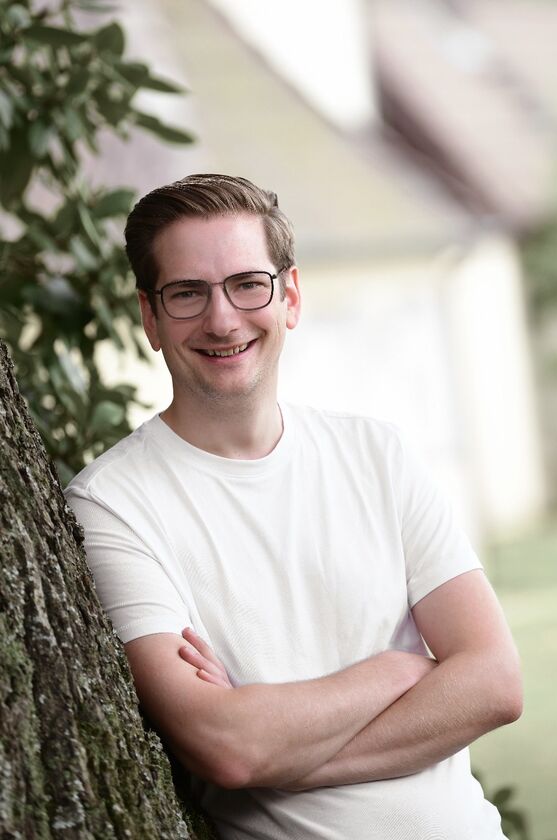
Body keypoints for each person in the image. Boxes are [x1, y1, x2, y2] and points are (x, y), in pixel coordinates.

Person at [65, 173, 523, 840]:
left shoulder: (377, 455)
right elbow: (227, 746)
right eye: (187, 293)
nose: (222, 319)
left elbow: (495, 682)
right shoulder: (113, 504)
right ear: (150, 318)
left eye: (247, 284)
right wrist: (400, 670)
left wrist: (289, 759)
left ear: (291, 297)